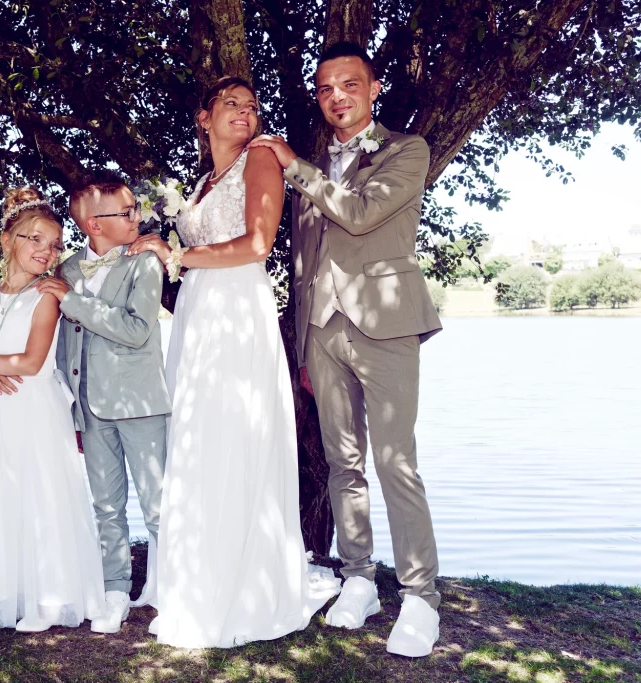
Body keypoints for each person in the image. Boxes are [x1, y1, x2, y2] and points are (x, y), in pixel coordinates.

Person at [128, 77, 341, 649]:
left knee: (231, 435)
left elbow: (256, 245)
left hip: (237, 312)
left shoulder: (261, 162)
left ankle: (240, 584)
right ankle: (196, 574)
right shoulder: (200, 184)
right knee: (198, 437)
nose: (244, 113)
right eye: (230, 104)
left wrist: (175, 253)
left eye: (251, 105)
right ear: (204, 117)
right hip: (198, 314)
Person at [249, 41, 444, 657]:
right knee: (343, 462)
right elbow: (304, 260)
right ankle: (358, 578)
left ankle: (419, 595)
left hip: (386, 324)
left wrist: (295, 166)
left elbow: (360, 215)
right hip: (322, 331)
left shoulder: (406, 150)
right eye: (327, 87)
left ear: (373, 87)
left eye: (349, 85)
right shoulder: (309, 164)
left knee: (395, 461)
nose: (337, 96)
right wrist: (306, 345)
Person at [0, 187, 106, 632]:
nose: (47, 252)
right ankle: (12, 595)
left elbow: (29, 362)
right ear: (8, 239)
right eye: (36, 240)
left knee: (44, 493)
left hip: (37, 405)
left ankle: (51, 600)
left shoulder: (47, 295)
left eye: (55, 245)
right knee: (6, 492)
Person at [36, 173, 170, 633]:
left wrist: (75, 303)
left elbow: (136, 330)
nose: (138, 217)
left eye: (135, 209)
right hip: (88, 407)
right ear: (94, 224)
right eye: (127, 211)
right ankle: (115, 591)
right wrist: (68, 405)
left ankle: (172, 589)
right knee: (107, 506)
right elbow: (62, 346)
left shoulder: (145, 263)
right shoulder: (68, 269)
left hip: (140, 403)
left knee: (157, 503)